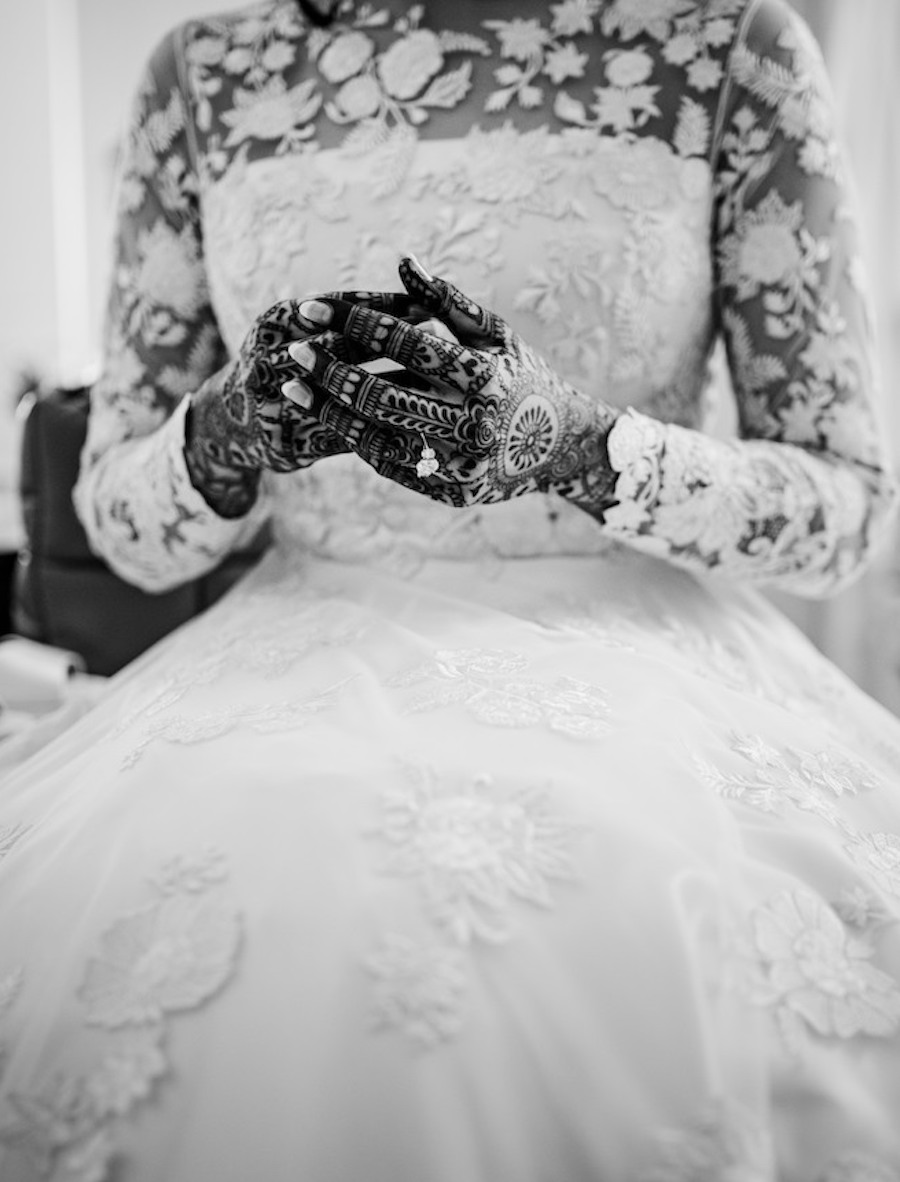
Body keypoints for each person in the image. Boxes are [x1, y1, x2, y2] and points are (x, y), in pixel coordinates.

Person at [2, 0, 900, 1177]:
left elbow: (849, 506)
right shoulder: (203, 76)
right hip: (289, 658)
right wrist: (230, 425)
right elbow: (125, 520)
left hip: (649, 664)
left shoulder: (731, 54)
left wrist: (579, 447)